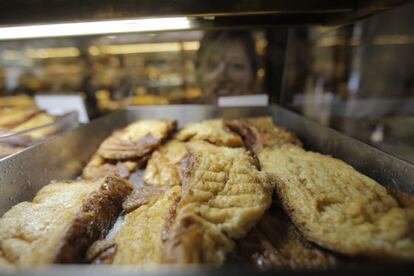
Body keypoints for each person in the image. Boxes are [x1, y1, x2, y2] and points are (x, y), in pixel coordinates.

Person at [196, 31, 259, 103]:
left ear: (252, 75)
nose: (221, 77)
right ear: (198, 73)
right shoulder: (186, 113)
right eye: (212, 65)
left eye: (236, 66)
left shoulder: (267, 113)